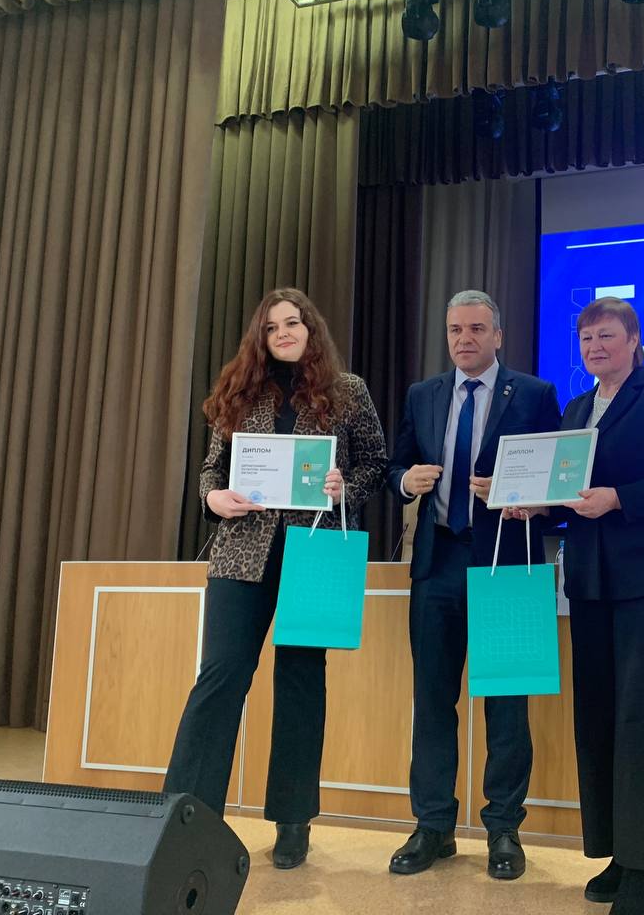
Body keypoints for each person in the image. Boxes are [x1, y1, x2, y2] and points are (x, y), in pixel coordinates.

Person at [163, 288, 387, 870]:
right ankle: (187, 814)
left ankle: (292, 819)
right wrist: (214, 498)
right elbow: (212, 469)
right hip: (242, 552)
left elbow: (375, 462)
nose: (282, 333)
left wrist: (345, 487)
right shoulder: (241, 390)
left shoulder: (348, 390)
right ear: (260, 337)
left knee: (300, 684)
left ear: (311, 328)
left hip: (314, 553)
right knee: (219, 679)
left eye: (292, 322)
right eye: (271, 327)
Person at [509, 296, 644, 915]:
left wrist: (618, 497)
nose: (594, 347)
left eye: (606, 336)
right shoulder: (576, 409)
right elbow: (570, 492)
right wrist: (535, 502)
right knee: (599, 720)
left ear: (634, 340)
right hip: (592, 582)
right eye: (586, 338)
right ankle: (620, 854)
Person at [385, 289, 561, 880]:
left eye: (477, 329)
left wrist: (528, 499)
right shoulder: (424, 394)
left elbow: (560, 478)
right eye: (455, 330)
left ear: (498, 336)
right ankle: (432, 826)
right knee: (433, 702)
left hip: (506, 564)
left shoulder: (534, 395)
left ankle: (504, 830)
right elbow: (394, 467)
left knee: (506, 704)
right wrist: (405, 480)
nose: (464, 339)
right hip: (437, 563)